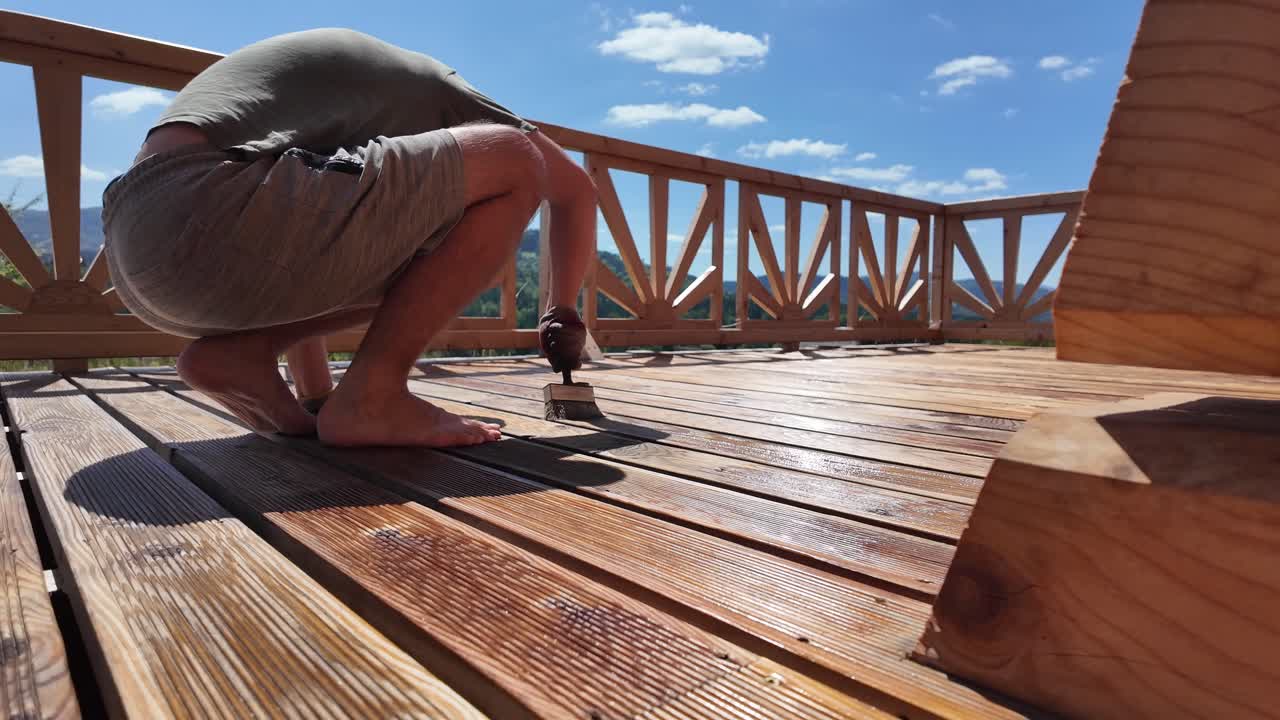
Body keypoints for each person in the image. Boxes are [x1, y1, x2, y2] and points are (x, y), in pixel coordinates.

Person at [102, 29, 594, 447]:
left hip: (137, 254)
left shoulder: (343, 89)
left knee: (420, 254)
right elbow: (573, 189)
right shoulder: (443, 89)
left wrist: (318, 399)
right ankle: (376, 394)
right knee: (511, 158)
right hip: (211, 201)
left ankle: (245, 354)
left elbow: (317, 221)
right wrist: (561, 311)